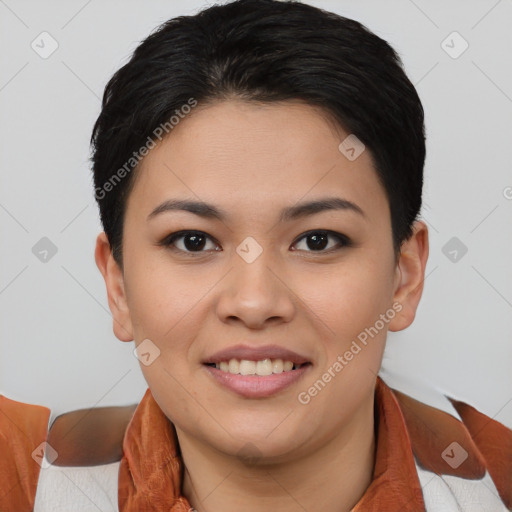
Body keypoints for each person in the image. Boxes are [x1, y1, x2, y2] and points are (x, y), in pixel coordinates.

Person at [1, 0, 510, 510]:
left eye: (318, 240)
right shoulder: (21, 479)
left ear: (405, 278)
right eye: (193, 241)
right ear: (118, 284)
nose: (254, 302)